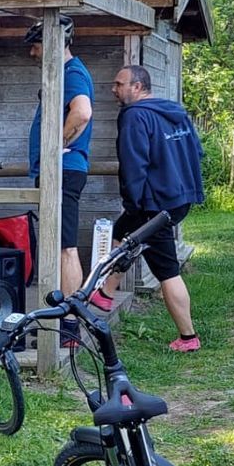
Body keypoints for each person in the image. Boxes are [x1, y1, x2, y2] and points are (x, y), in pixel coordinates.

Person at [95, 63, 205, 352]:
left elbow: (134, 164)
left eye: (119, 84)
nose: (113, 90)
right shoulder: (175, 112)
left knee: (166, 269)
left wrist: (133, 203)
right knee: (123, 233)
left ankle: (187, 337)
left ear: (138, 87)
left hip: (155, 203)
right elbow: (198, 152)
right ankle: (106, 292)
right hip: (180, 198)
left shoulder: (134, 116)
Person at [24, 16, 94, 332]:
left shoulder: (73, 72)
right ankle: (63, 320)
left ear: (55, 42)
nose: (32, 53)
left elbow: (82, 112)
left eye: (36, 45)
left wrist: (55, 146)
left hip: (63, 171)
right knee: (58, 245)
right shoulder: (63, 73)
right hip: (58, 172)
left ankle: (69, 324)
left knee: (66, 248)